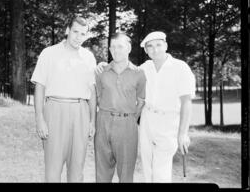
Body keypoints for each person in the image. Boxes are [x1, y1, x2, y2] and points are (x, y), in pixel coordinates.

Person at [95, 31, 195, 182]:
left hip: (168, 122)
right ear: (146, 50)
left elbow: (187, 102)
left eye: (158, 45)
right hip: (147, 121)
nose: (154, 49)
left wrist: (183, 133)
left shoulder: (180, 67)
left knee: (160, 171)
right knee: (148, 169)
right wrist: (102, 65)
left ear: (166, 45)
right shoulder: (144, 68)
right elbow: (123, 70)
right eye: (150, 46)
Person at [30, 16, 97, 182]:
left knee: (77, 170)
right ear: (67, 30)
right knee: (53, 169)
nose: (78, 37)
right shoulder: (49, 53)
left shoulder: (89, 57)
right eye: (75, 32)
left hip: (81, 112)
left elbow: (93, 92)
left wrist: (92, 121)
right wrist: (39, 118)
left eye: (82, 34)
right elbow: (40, 86)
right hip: (55, 110)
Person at [94, 33, 146, 182]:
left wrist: (129, 119)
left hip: (127, 125)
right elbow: (97, 98)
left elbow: (141, 102)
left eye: (120, 46)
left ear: (128, 48)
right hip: (103, 123)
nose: (116, 50)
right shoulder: (101, 72)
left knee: (125, 174)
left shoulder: (139, 73)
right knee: (102, 172)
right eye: (113, 47)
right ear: (109, 49)